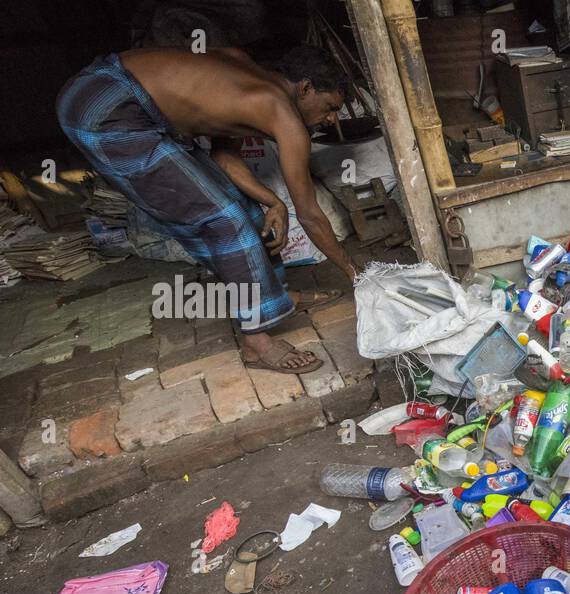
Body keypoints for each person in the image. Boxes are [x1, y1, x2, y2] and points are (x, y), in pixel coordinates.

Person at [56, 46, 359, 374]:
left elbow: (223, 155)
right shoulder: (281, 113)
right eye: (330, 107)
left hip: (107, 92)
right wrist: (356, 274)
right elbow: (310, 214)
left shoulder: (245, 71)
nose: (332, 119)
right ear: (305, 88)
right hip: (104, 109)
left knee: (248, 211)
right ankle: (256, 343)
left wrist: (272, 201)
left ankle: (278, 296)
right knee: (226, 220)